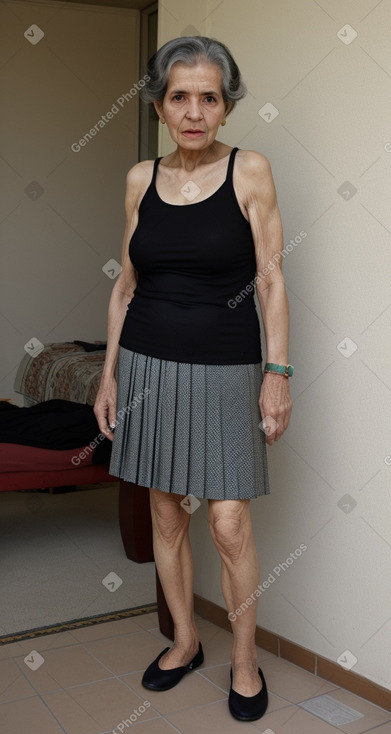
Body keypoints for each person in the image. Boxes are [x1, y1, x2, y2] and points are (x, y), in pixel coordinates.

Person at [93, 35, 293, 722]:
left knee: (229, 524)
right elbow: (126, 283)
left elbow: (269, 281)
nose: (194, 110)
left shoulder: (249, 172)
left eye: (209, 97)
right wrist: (108, 374)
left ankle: (243, 659)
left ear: (225, 106)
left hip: (226, 369)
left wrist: (277, 374)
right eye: (180, 96)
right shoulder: (138, 179)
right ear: (158, 103)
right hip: (146, 364)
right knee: (164, 513)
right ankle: (183, 641)